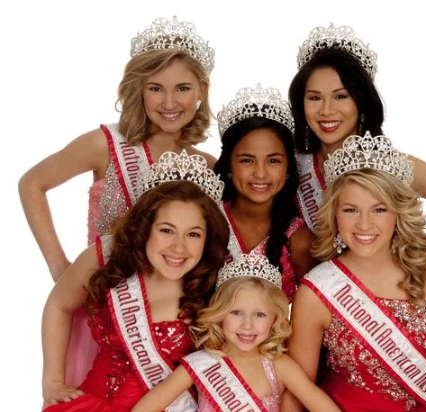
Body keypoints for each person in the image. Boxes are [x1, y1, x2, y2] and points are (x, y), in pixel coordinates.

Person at [20, 15, 216, 387]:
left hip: (170, 327)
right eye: (155, 88)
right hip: (104, 311)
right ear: (138, 89)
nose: (169, 102)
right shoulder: (106, 145)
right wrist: (60, 266)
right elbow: (32, 183)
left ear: (202, 90)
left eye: (182, 88)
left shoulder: (207, 166)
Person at [283, 133, 426, 411]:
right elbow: (298, 390)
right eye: (351, 210)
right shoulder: (317, 291)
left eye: (379, 209)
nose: (364, 224)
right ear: (334, 212)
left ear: (398, 211)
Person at [41, 152, 230, 411]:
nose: (179, 247)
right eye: (166, 230)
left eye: (193, 234)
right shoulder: (107, 258)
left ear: (207, 239)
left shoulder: (215, 285)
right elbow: (59, 305)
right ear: (145, 228)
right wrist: (52, 381)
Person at [289, 23, 426, 250]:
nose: (326, 110)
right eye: (314, 98)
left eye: (341, 96)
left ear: (362, 100)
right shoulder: (291, 163)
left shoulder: (395, 166)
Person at [132, 252, 342, 412]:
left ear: (275, 319)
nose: (247, 325)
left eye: (259, 315)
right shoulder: (200, 364)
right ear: (220, 314)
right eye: (236, 313)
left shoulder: (280, 366)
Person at [213, 84, 316, 302]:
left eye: (273, 161)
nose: (260, 173)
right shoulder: (207, 220)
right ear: (229, 164)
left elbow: (311, 309)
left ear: (288, 168)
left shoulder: (299, 240)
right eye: (247, 160)